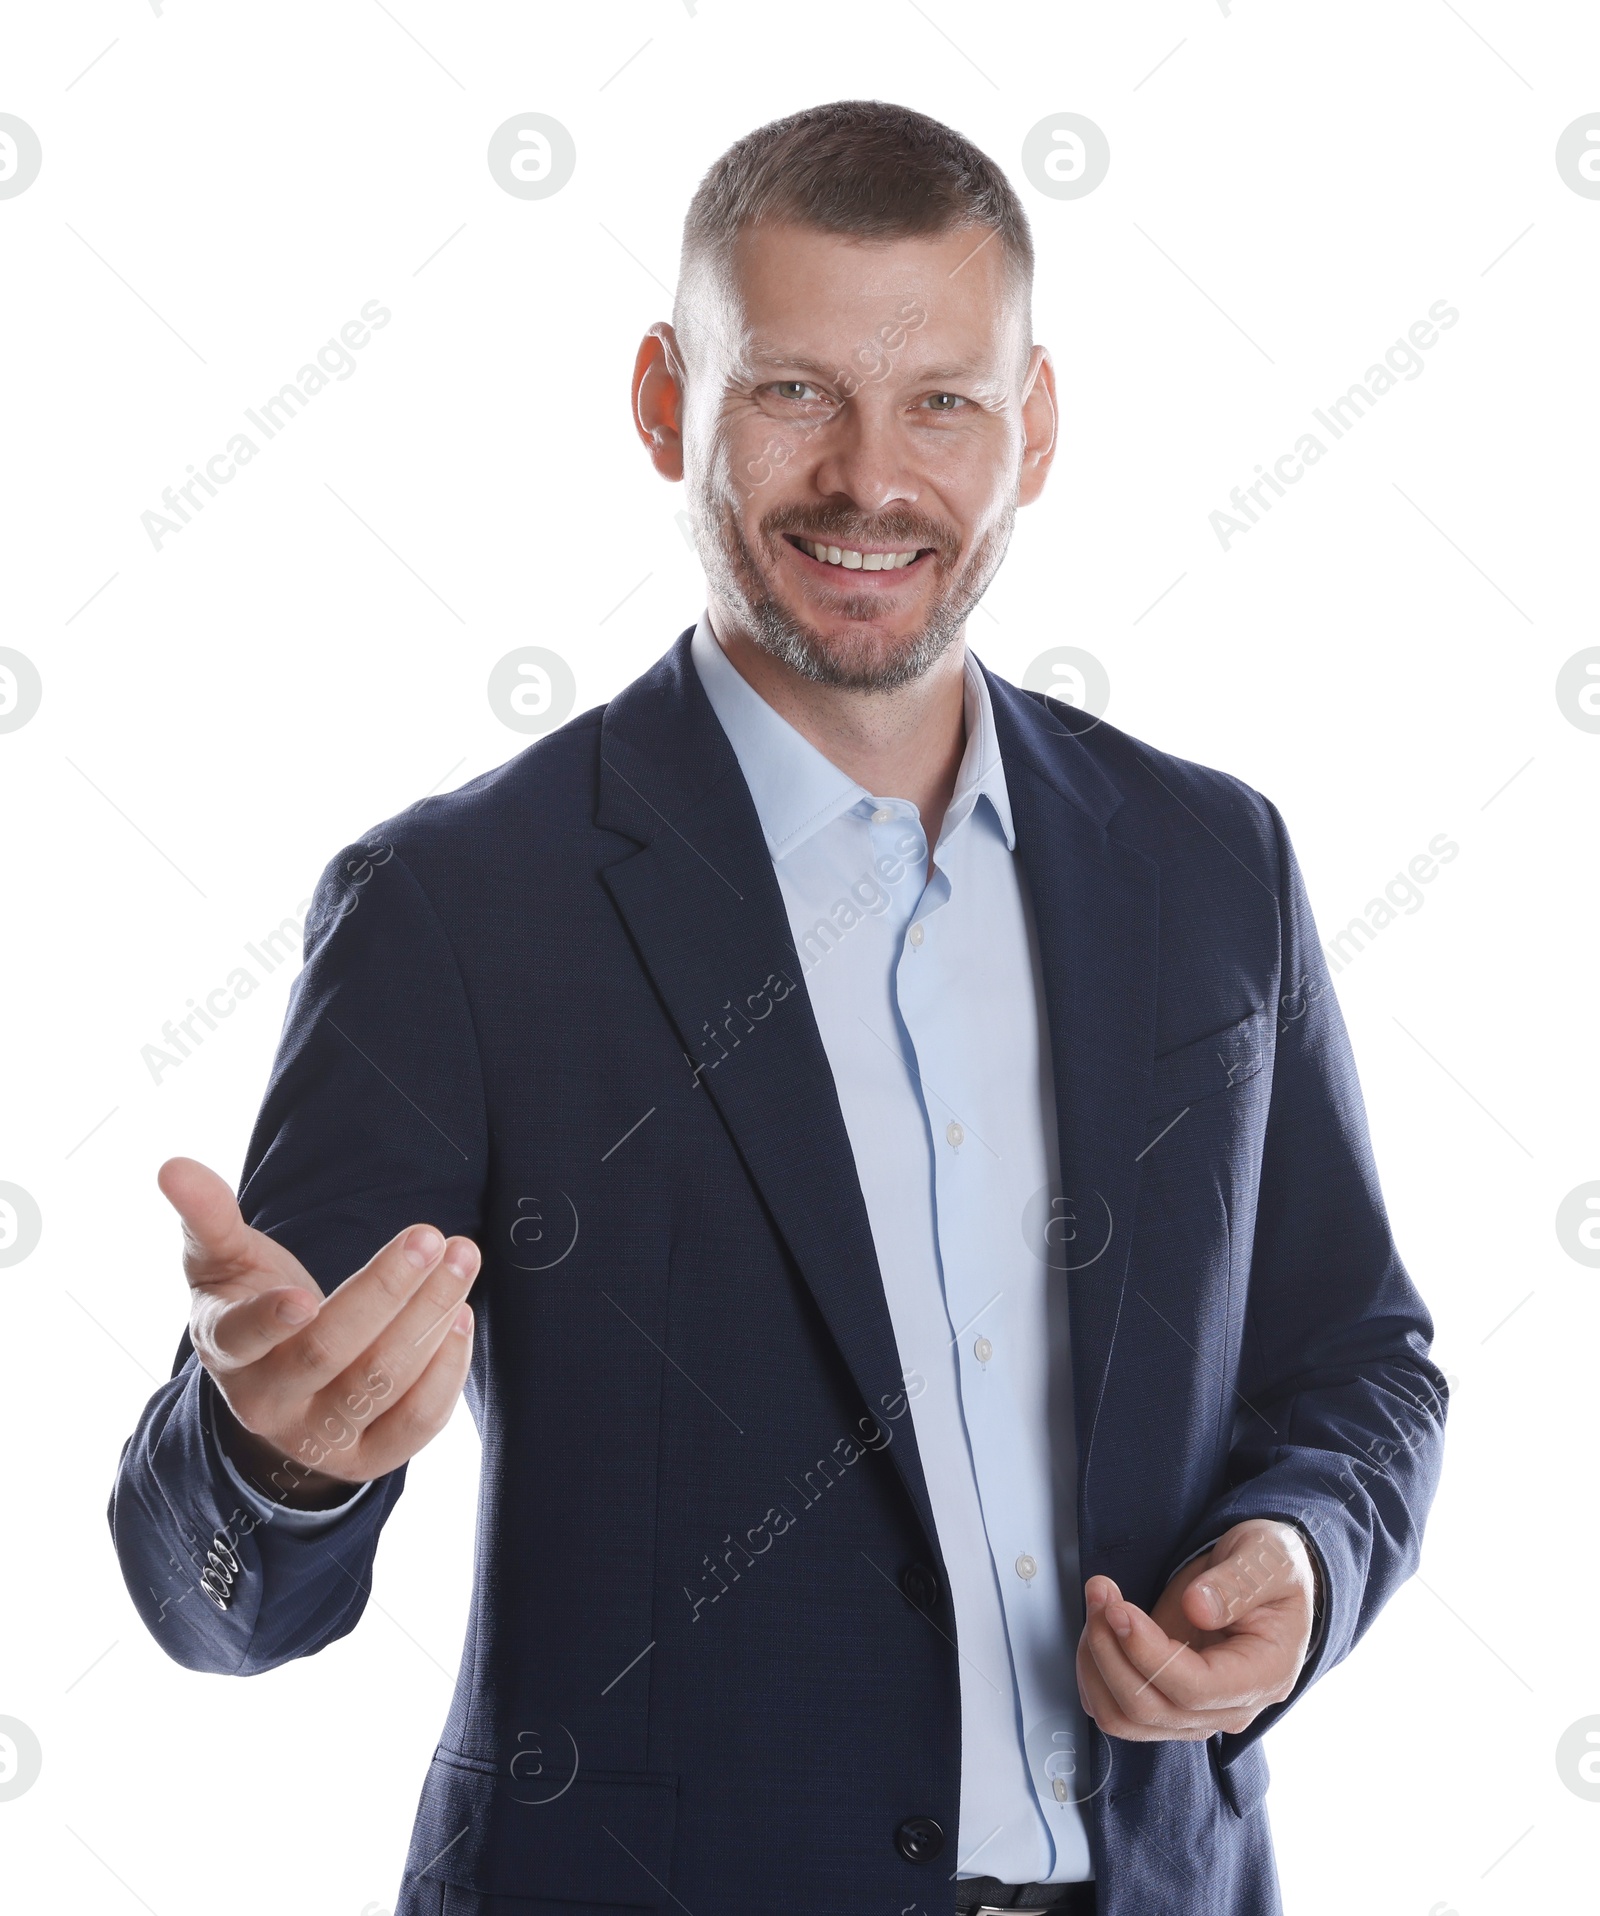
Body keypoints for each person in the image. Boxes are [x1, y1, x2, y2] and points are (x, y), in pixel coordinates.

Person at [107, 100, 1446, 1916]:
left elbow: (1356, 1362)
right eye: (794, 392)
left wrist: (1301, 1550)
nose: (871, 479)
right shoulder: (458, 912)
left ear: (1034, 427)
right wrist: (273, 1462)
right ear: (666, 402)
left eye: (944, 403)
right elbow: (216, 1606)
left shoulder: (1212, 866)